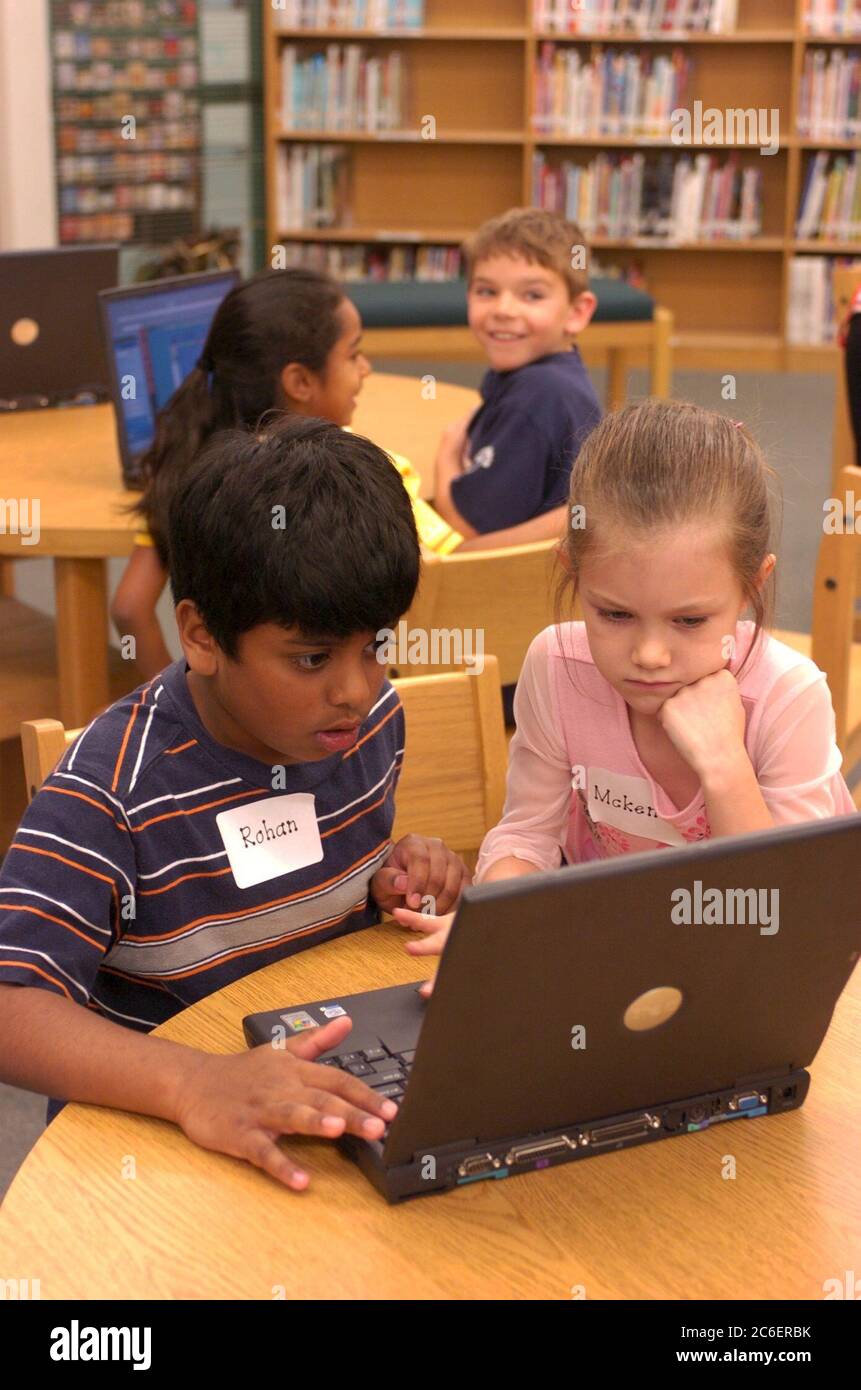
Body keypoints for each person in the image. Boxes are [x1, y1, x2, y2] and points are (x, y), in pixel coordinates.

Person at [0, 418, 470, 1190]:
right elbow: (11, 1004)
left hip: (320, 1100)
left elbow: (296, 882)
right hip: (160, 1142)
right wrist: (193, 1082)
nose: (357, 689)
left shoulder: (366, 727)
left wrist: (387, 877)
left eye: (375, 646)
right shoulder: (111, 791)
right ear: (202, 637)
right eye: (312, 657)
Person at [399, 399, 855, 983]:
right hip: (616, 960)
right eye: (614, 613)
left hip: (756, 973)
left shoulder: (786, 697)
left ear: (750, 587)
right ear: (572, 570)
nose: (649, 655)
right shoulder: (557, 665)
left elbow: (783, 923)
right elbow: (526, 834)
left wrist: (724, 767)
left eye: (690, 621)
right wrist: (494, 930)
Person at [433, 206, 602, 545]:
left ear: (576, 312)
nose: (503, 310)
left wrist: (447, 454)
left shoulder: (537, 395)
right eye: (487, 291)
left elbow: (464, 529)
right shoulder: (551, 374)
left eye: (532, 295)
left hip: (510, 583)